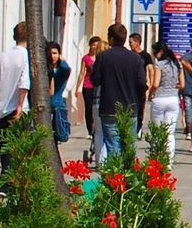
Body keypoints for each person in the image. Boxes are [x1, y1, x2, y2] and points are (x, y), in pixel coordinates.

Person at [91, 24, 148, 161]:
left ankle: (115, 179)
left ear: (110, 39)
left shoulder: (103, 57)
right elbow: (142, 83)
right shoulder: (135, 59)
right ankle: (128, 178)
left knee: (112, 146)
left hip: (109, 107)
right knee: (128, 147)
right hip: (130, 108)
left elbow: (95, 80)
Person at [0, 23, 32, 190]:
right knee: (19, 148)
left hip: (1, 108)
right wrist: (20, 106)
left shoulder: (2, 56)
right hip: (18, 108)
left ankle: (6, 183)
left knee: (4, 148)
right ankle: (10, 184)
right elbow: (23, 84)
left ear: (15, 36)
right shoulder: (25, 56)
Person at [147, 42, 184, 166]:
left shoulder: (159, 65)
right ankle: (169, 161)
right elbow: (182, 85)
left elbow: (156, 84)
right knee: (170, 132)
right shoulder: (177, 64)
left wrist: (150, 93)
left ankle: (156, 159)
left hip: (160, 99)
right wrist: (173, 87)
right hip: (173, 99)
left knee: (157, 131)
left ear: (159, 52)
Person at [78, 34, 103, 150]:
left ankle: (96, 128)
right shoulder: (86, 58)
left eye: (97, 45)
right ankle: (90, 129)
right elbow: (82, 72)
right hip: (87, 85)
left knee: (97, 108)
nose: (95, 47)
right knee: (88, 108)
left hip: (98, 86)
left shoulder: (101, 58)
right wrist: (78, 87)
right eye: (93, 44)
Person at [48, 42, 73, 144]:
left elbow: (67, 69)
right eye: (50, 53)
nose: (52, 56)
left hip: (57, 104)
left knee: (58, 135)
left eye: (55, 53)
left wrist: (62, 59)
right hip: (46, 105)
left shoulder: (61, 70)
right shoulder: (45, 68)